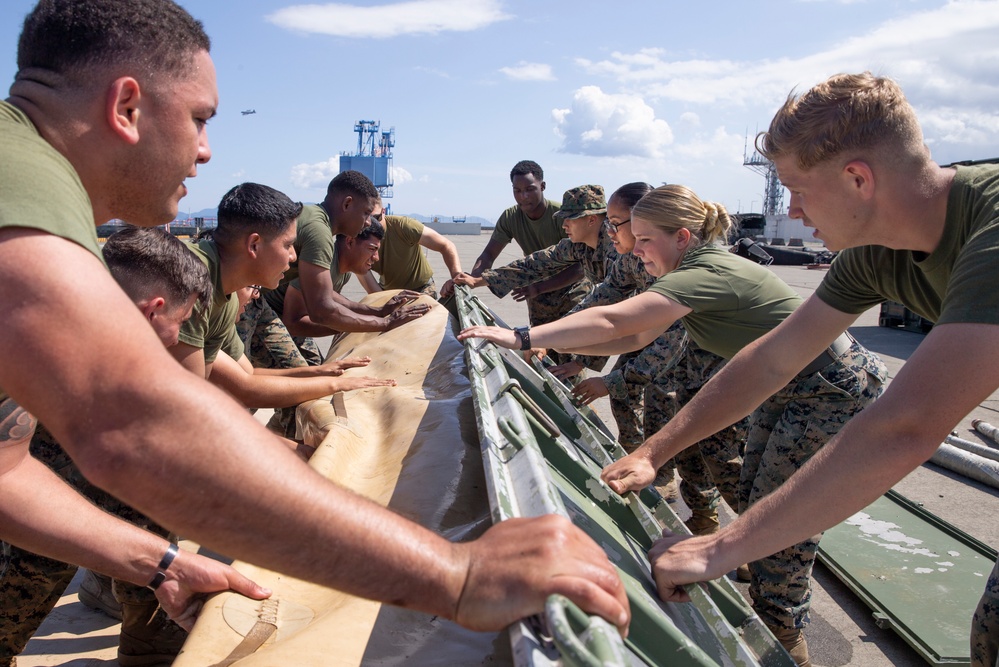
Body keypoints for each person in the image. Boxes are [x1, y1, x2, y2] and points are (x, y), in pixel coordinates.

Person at [0, 0, 629, 647]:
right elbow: (136, 426)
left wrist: (157, 560)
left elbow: (9, 469)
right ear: (127, 107)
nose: (207, 151)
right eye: (199, 119)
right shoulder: (21, 184)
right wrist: (455, 571)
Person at [601, 72, 999, 667]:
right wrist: (653, 452)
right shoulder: (875, 256)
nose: (791, 209)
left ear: (857, 178)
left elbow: (908, 425)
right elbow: (771, 359)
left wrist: (719, 549)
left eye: (795, 189)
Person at [459, 183, 887, 665]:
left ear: (682, 237)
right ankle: (776, 614)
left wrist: (520, 335)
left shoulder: (703, 271)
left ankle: (785, 640)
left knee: (781, 515)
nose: (636, 251)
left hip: (827, 388)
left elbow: (616, 323)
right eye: (633, 238)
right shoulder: (688, 268)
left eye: (644, 240)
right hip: (786, 384)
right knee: (756, 498)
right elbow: (634, 335)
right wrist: (553, 347)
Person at [0, 226, 267, 667]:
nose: (179, 338)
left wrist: (164, 565)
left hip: (55, 452)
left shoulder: (89, 326)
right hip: (35, 466)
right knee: (39, 559)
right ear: (154, 311)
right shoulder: (30, 344)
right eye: (181, 324)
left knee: (144, 508)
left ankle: (150, 640)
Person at [565, 183, 740, 536]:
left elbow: (664, 341)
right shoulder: (637, 259)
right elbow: (602, 302)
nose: (610, 232)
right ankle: (704, 519)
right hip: (683, 373)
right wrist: (555, 336)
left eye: (617, 223)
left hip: (728, 375)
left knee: (726, 460)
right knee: (689, 448)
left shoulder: (689, 273)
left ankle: (759, 538)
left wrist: (609, 381)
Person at [170, 182, 397, 443]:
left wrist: (325, 373)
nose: (292, 257)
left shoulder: (227, 296)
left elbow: (248, 376)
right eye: (288, 245)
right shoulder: (192, 283)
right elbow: (190, 415)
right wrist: (335, 383)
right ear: (254, 245)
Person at [262, 171, 430, 366]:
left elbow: (331, 296)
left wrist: (378, 312)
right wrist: (384, 323)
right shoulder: (319, 233)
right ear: (347, 204)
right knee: (305, 379)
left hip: (258, 303)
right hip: (251, 302)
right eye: (366, 213)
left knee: (316, 369)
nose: (368, 222)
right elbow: (321, 311)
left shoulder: (315, 219)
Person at [452, 184, 614, 374]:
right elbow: (534, 264)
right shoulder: (578, 246)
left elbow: (606, 308)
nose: (564, 226)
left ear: (591, 220)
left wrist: (536, 339)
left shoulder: (616, 251)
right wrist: (480, 280)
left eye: (569, 220)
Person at [443, 160, 591, 365]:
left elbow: (579, 269)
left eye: (530, 189)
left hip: (571, 292)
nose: (524, 196)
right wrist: (471, 279)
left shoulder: (562, 216)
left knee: (571, 356)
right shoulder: (511, 217)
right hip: (536, 293)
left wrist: (540, 286)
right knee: (541, 357)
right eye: (517, 190)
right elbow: (491, 255)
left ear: (542, 186)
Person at [358, 197, 463, 299]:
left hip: (421, 289)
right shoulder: (356, 239)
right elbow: (373, 289)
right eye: (367, 220)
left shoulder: (403, 226)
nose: (372, 225)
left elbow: (446, 245)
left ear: (383, 212)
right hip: (389, 292)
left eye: (376, 218)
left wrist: (456, 278)